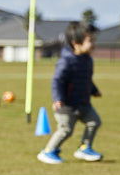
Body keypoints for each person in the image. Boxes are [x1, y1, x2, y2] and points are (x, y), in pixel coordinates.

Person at [38, 22, 103, 164]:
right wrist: (57, 99)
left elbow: (86, 79)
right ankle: (48, 151)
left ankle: (85, 148)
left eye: (94, 40)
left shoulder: (87, 60)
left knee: (94, 122)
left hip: (83, 104)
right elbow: (57, 81)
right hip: (66, 106)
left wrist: (94, 90)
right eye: (90, 41)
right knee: (66, 130)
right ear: (76, 43)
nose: (93, 44)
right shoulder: (66, 61)